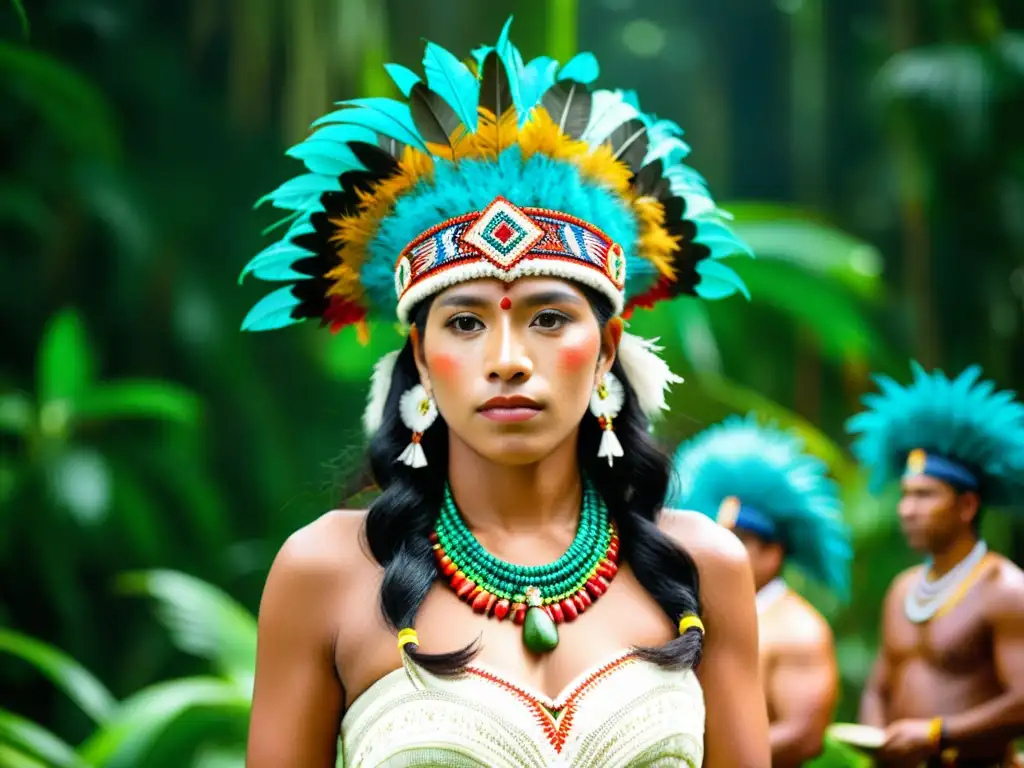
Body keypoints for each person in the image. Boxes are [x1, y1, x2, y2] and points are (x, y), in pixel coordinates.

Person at [238, 17, 771, 767]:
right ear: (419, 357)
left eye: (550, 318)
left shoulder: (703, 568)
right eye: (464, 322)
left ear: (608, 348)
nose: (510, 359)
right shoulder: (325, 573)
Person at [846, 362, 1024, 767]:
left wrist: (936, 735)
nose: (907, 509)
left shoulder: (1005, 588)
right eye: (905, 494)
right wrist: (878, 745)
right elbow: (879, 687)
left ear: (967, 505)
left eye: (926, 495)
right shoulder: (903, 589)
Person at [669, 413, 852, 767]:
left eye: (736, 540)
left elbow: (804, 736)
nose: (720, 551)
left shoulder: (800, 631)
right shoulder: (697, 611)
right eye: (716, 537)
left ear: (773, 553)